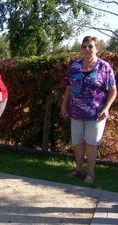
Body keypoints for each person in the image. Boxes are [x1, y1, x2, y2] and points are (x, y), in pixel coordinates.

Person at [61, 36, 117, 183]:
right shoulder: (75, 66)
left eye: (90, 46)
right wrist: (63, 106)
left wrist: (106, 108)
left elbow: (112, 91)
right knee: (78, 143)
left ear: (97, 48)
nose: (87, 49)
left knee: (91, 144)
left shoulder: (105, 67)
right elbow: (69, 87)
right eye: (84, 46)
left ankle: (90, 173)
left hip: (96, 114)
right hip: (76, 112)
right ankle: (78, 169)